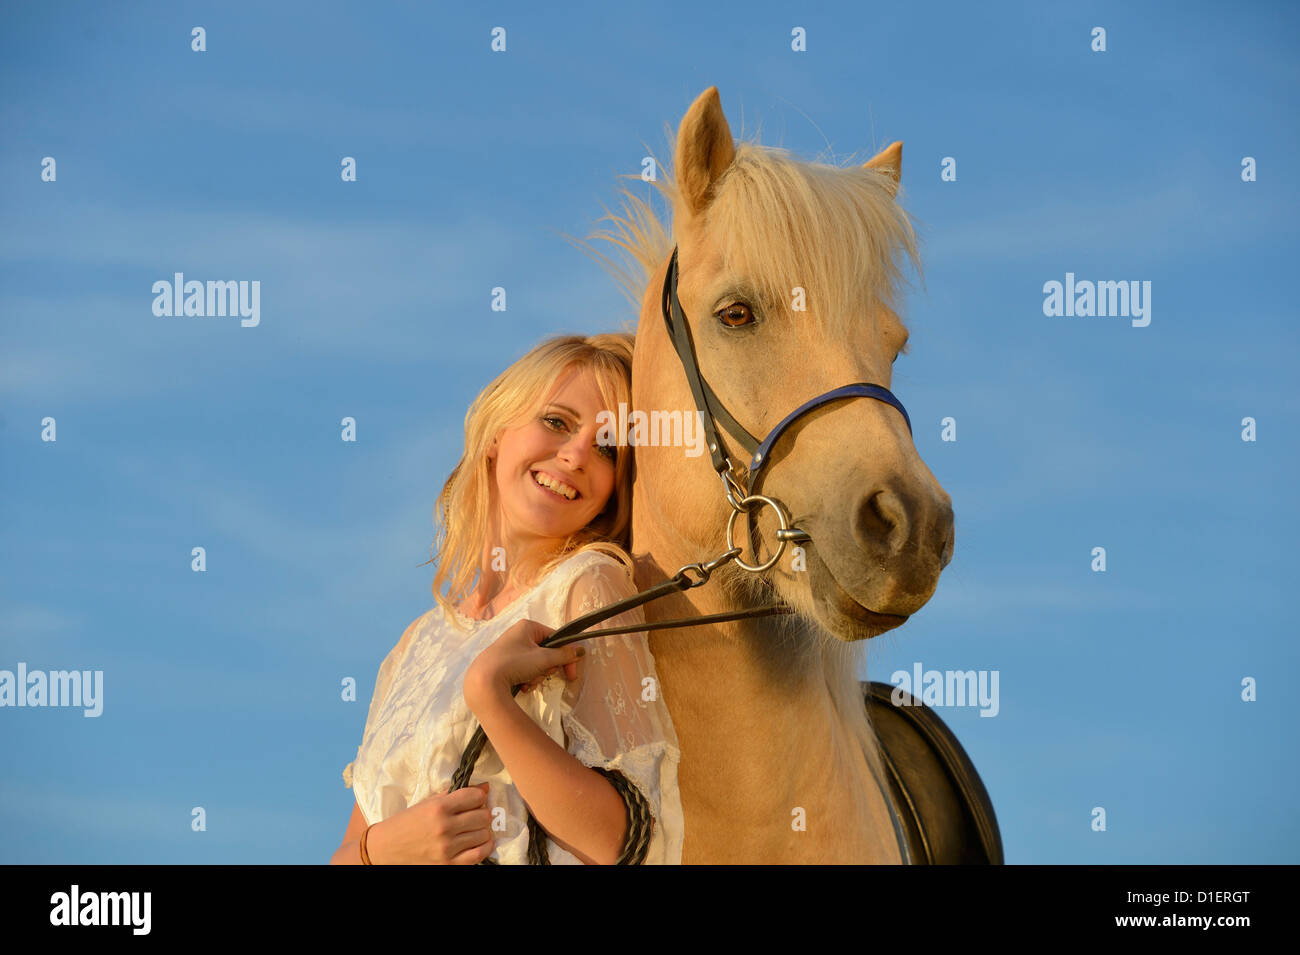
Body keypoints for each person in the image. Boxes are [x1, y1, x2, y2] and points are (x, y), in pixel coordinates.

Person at [329, 333, 682, 865]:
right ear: (497, 432)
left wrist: (490, 695)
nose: (577, 453)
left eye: (608, 447)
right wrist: (381, 852)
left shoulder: (588, 587)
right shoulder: (417, 643)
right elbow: (345, 852)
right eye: (558, 422)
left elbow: (629, 842)